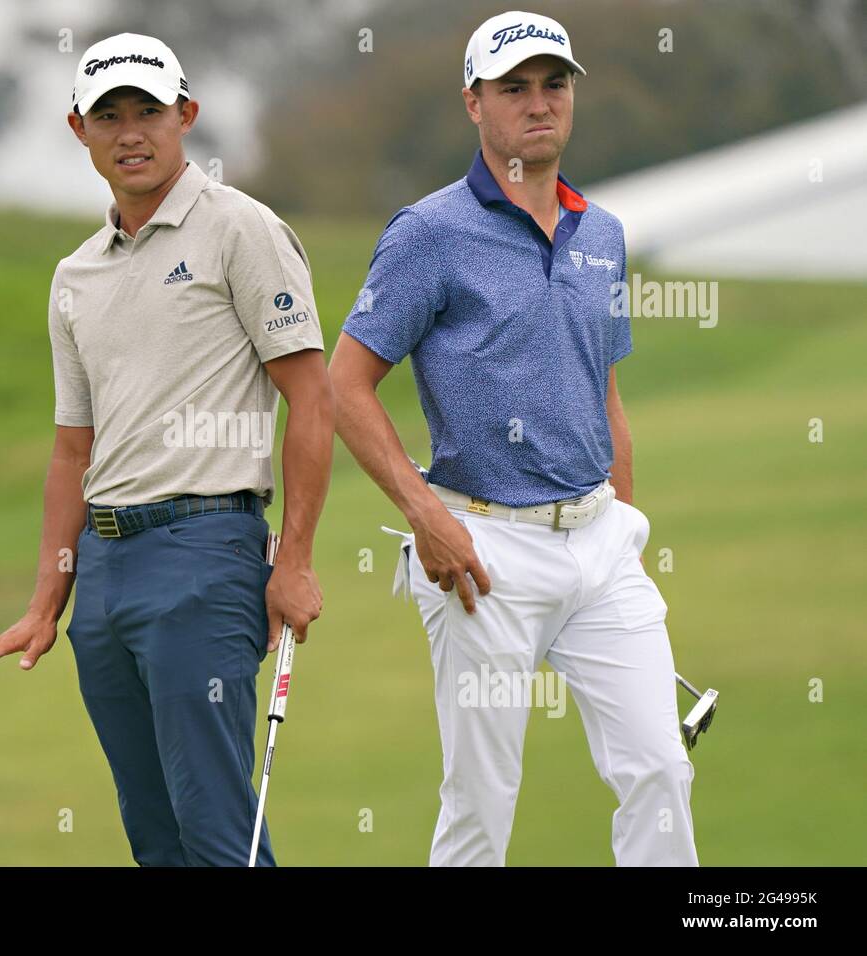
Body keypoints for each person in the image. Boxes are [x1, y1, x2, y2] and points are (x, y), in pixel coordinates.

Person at [328, 10, 698, 866]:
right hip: (482, 552)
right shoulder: (428, 233)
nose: (539, 103)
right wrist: (425, 516)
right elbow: (345, 387)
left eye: (554, 84)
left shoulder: (601, 235)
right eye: (515, 87)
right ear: (474, 104)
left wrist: (625, 531)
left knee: (661, 773)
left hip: (601, 545)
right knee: (481, 806)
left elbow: (603, 391)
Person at [0, 32, 333, 867]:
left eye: (149, 111)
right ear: (78, 130)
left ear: (186, 116)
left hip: (208, 550)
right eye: (109, 116)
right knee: (154, 836)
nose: (131, 131)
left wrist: (295, 560)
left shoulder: (241, 228)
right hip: (106, 571)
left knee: (215, 830)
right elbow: (70, 451)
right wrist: (46, 602)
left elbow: (312, 398)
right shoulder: (75, 274)